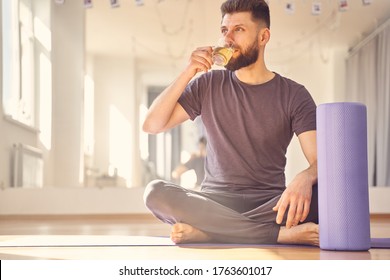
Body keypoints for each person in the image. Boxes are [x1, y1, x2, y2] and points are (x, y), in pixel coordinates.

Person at [142, 0, 319, 246]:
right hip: (215, 202)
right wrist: (189, 71)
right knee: (155, 193)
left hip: (270, 204)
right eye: (225, 30)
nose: (227, 39)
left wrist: (305, 176)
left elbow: (320, 162)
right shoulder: (208, 84)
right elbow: (152, 125)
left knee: (325, 195)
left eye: (239, 29)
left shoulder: (294, 94)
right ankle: (275, 236)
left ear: (263, 36)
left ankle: (212, 232)